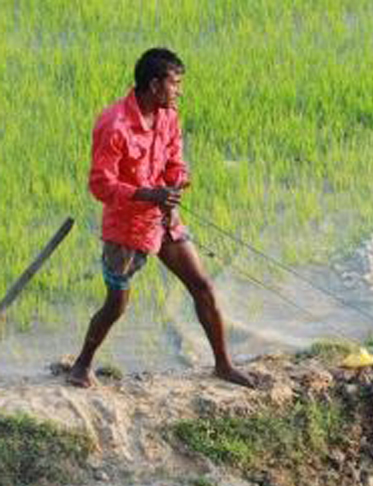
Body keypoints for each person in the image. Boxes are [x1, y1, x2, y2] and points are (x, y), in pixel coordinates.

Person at [68, 48, 253, 388]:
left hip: (164, 220)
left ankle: (223, 365)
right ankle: (81, 365)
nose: (179, 90)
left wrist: (176, 180)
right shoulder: (114, 124)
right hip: (126, 228)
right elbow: (100, 184)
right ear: (154, 85)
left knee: (202, 286)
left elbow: (174, 159)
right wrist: (147, 194)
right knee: (117, 304)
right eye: (175, 83)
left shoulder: (168, 116)